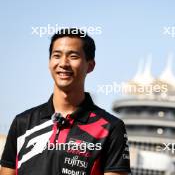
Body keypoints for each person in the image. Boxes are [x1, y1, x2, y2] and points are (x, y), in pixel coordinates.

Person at [0, 28, 131, 175]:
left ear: (90, 65)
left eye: (73, 56)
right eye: (57, 55)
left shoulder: (111, 127)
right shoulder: (22, 122)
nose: (63, 63)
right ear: (49, 62)